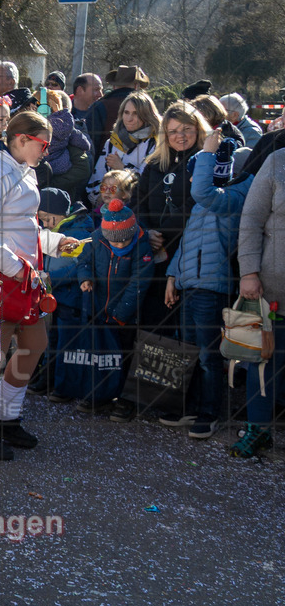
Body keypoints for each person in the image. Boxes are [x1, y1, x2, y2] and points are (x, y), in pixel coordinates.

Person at [0, 111, 53, 461]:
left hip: (22, 274)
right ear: (20, 139)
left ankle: (6, 417)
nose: (46, 151)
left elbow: (24, 227)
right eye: (42, 144)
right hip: (1, 276)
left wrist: (52, 242)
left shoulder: (22, 170)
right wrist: (15, 267)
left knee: (35, 343)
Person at [161, 129, 253, 437]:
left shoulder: (232, 198)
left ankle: (209, 413)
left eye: (196, 174)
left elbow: (203, 191)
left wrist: (208, 153)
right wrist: (173, 276)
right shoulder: (206, 201)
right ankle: (190, 407)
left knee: (208, 356)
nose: (190, 182)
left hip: (211, 288)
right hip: (190, 284)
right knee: (190, 352)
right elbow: (188, 242)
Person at [75, 199, 154, 419]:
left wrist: (121, 314)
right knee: (102, 355)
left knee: (126, 356)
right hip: (99, 308)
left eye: (123, 242)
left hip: (126, 315)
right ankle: (100, 394)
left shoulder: (141, 244)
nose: (120, 246)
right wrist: (86, 278)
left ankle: (125, 400)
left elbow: (139, 283)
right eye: (115, 243)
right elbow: (83, 261)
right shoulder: (98, 238)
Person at [136, 101, 210, 334]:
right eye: (173, 131)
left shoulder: (205, 162)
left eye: (186, 129)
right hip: (152, 251)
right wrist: (147, 232)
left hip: (188, 253)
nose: (181, 136)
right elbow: (138, 203)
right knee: (153, 321)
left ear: (197, 129)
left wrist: (164, 235)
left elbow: (195, 206)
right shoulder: (155, 165)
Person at [235, 148, 285, 458]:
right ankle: (258, 430)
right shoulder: (278, 161)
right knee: (263, 360)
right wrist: (249, 272)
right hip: (272, 288)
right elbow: (251, 219)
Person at [33, 187, 93, 401]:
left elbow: (78, 267)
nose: (44, 224)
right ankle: (47, 379)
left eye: (47, 219)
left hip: (71, 297)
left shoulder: (78, 233)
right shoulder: (54, 231)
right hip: (56, 296)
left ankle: (64, 387)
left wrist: (52, 278)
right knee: (52, 340)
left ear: (59, 214)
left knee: (68, 344)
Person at [86, 91, 160, 207]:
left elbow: (149, 182)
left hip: (138, 207)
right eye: (126, 112)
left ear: (146, 116)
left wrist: (122, 168)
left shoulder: (155, 143)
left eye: (136, 114)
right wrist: (102, 200)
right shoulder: (112, 142)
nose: (129, 118)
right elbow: (96, 179)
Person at [86, 66, 149, 158]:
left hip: (105, 164)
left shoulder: (99, 106)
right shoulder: (146, 106)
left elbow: (90, 143)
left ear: (114, 86)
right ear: (136, 86)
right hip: (139, 164)